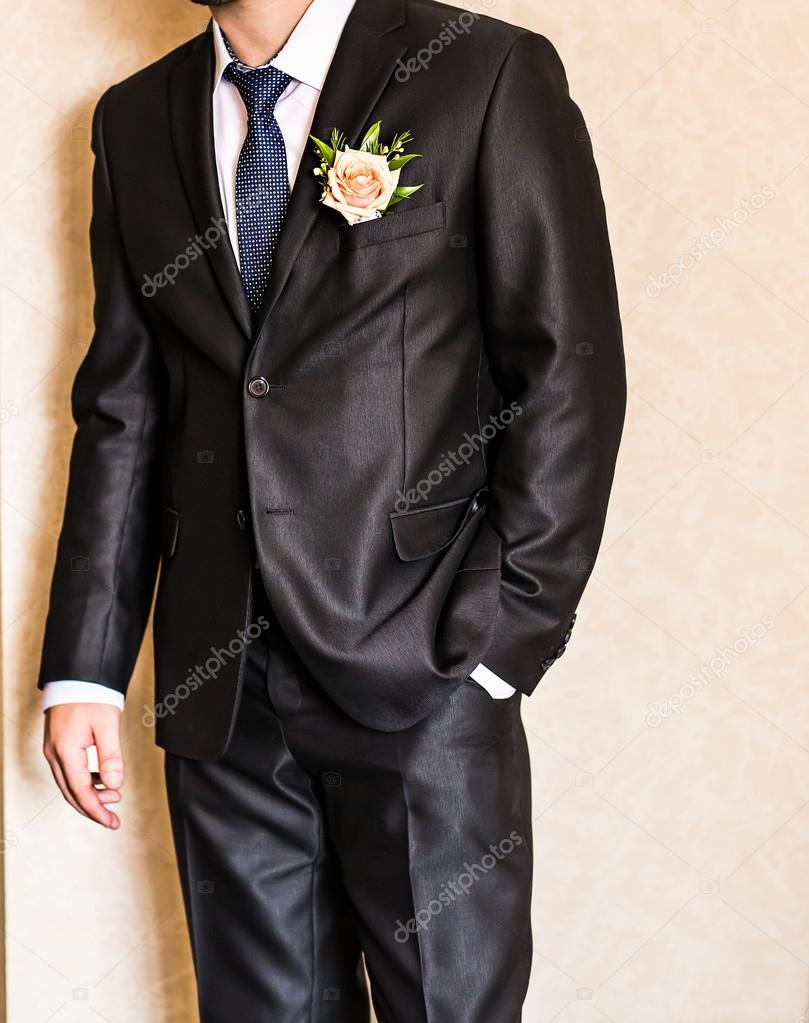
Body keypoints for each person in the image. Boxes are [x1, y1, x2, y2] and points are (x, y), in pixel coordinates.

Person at [39, 0, 626, 1019]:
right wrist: (84, 668)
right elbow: (126, 409)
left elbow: (566, 369)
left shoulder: (482, 73)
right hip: (222, 689)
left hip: (423, 660)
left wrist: (499, 639)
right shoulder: (134, 118)